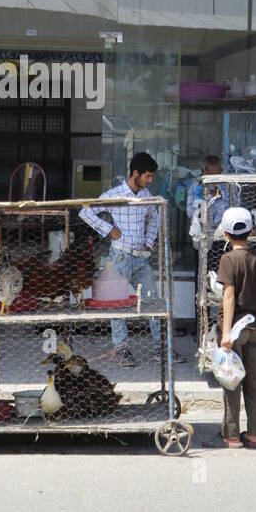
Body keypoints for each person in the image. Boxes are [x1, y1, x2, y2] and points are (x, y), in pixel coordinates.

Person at [79, 152, 162, 366]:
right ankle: (121, 350)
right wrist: (108, 230)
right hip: (120, 255)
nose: (150, 180)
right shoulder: (114, 195)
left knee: (153, 301)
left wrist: (149, 242)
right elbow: (85, 212)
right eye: (147, 176)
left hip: (140, 258)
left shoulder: (147, 196)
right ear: (136, 173)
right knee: (117, 304)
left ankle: (161, 348)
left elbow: (155, 218)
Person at [214, 206, 256, 449]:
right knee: (254, 381)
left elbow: (228, 296)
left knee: (232, 380)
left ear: (226, 234)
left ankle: (232, 435)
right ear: (250, 231)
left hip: (234, 329)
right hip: (254, 327)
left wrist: (227, 332)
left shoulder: (228, 260)